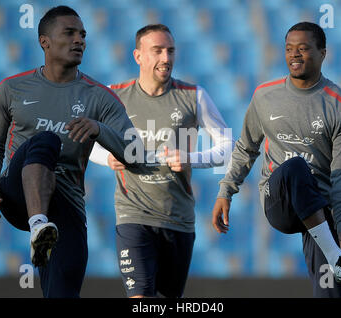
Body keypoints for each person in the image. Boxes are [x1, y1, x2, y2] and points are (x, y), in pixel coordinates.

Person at [0, 6, 139, 298]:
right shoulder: (13, 88)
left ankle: (45, 234)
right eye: (70, 33)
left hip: (66, 202)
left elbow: (135, 152)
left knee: (63, 293)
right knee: (46, 141)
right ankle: (38, 225)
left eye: (83, 35)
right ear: (45, 41)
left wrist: (99, 130)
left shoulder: (99, 97)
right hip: (17, 196)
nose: (80, 40)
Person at [212, 22, 341, 298]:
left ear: (323, 53)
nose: (294, 55)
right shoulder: (265, 96)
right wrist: (225, 191)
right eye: (289, 49)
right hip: (279, 201)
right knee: (296, 166)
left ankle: (336, 257)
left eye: (303, 48)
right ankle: (336, 257)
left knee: (330, 292)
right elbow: (246, 147)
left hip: (319, 210)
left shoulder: (339, 106)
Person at [89, 24, 234, 298]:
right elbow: (85, 140)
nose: (166, 58)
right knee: (141, 298)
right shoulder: (113, 95)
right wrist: (107, 157)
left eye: (170, 51)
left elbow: (228, 147)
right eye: (157, 51)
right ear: (138, 56)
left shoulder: (194, 96)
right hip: (133, 215)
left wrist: (191, 158)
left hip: (178, 219)